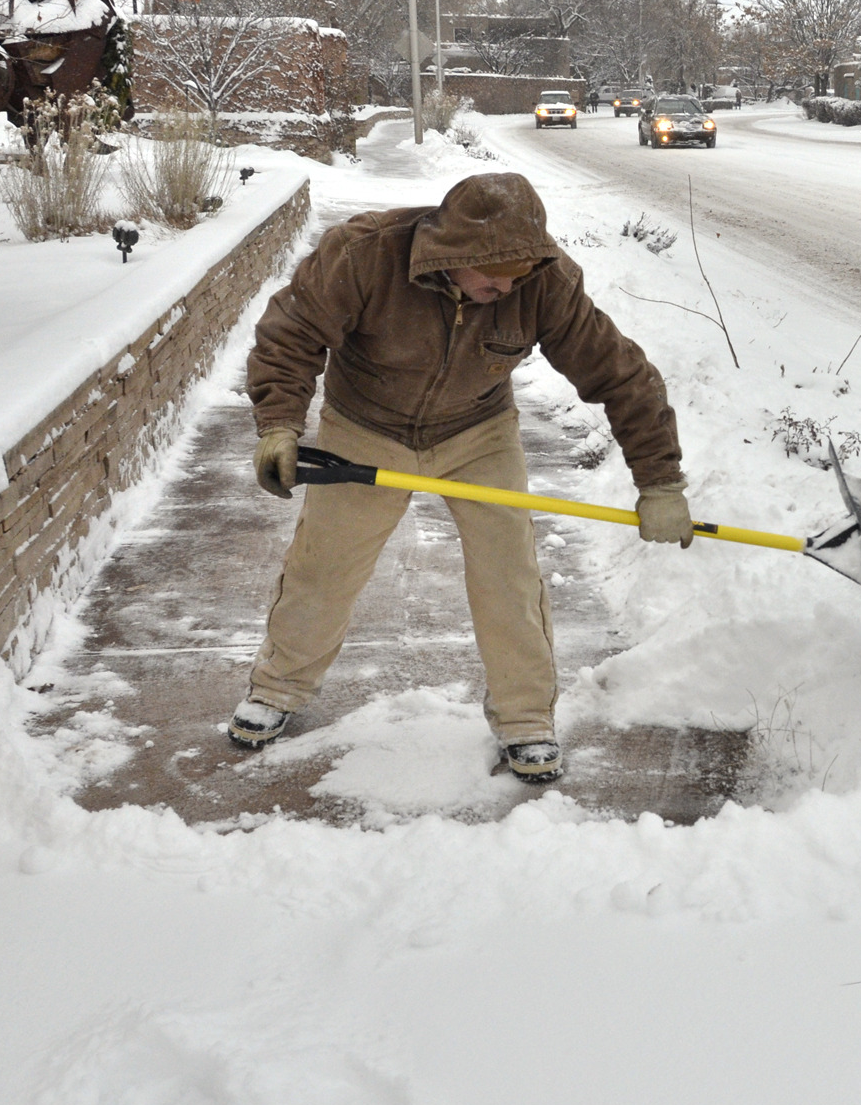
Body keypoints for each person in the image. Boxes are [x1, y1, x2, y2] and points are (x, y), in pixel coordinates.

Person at [232, 172, 692, 782]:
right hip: (366, 425)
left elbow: (621, 374)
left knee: (509, 572)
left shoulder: (543, 282)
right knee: (326, 564)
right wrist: (280, 423)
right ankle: (278, 688)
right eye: (495, 275)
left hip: (478, 433)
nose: (508, 288)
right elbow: (291, 335)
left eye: (521, 274)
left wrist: (659, 480)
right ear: (454, 254)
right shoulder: (363, 253)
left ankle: (526, 719)